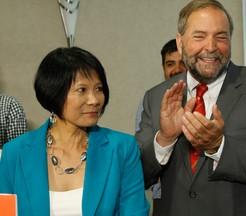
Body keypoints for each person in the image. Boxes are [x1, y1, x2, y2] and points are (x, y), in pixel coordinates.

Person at [135, 0, 246, 215]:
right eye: (199, 36)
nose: (211, 47)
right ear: (180, 43)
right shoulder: (157, 96)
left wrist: (220, 146)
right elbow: (136, 176)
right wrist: (165, 140)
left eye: (221, 36)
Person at [0, 47, 150, 216]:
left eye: (99, 89)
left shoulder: (122, 148)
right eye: (82, 90)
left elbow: (135, 212)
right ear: (54, 92)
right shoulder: (14, 153)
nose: (94, 100)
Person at [135, 39, 187, 132]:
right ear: (163, 67)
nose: (177, 70)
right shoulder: (148, 100)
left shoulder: (201, 96)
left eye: (182, 63)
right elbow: (141, 143)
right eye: (170, 64)